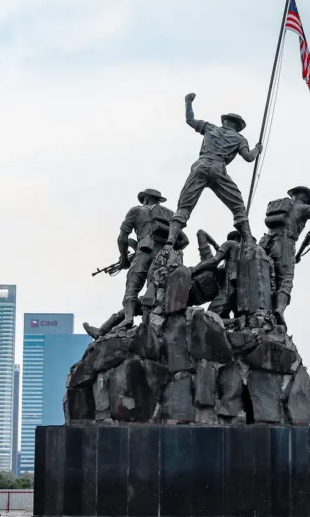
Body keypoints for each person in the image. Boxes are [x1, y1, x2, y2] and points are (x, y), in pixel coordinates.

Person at [165, 92, 261, 247]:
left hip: (200, 166)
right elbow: (249, 158)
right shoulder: (239, 139)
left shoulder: (210, 128)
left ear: (226, 121)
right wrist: (257, 149)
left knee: (184, 207)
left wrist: (188, 102)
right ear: (238, 126)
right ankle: (249, 241)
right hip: (218, 168)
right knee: (237, 206)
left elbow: (189, 119)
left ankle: (170, 241)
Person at [83, 188, 173, 338]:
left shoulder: (136, 210)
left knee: (131, 290)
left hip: (144, 251)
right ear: (158, 200)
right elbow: (183, 240)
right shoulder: (170, 214)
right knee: (157, 294)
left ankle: (128, 319)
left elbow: (122, 238)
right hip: (165, 257)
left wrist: (124, 258)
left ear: (145, 199)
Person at [259, 186, 310, 321]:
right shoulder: (302, 208)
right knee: (285, 281)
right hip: (285, 245)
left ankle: (266, 313)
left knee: (269, 280)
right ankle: (279, 310)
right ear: (305, 197)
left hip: (266, 244)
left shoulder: (280, 206)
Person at [192, 230, 242, 318]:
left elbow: (215, 260)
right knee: (223, 317)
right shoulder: (243, 251)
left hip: (228, 287)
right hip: (239, 289)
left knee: (208, 317)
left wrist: (194, 269)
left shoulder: (231, 243)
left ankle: (237, 321)